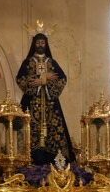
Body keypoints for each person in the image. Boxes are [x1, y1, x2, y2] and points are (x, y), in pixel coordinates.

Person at [15, 31, 76, 163]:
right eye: (38, 42)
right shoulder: (28, 62)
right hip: (31, 103)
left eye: (43, 42)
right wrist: (42, 78)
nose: (40, 44)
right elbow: (20, 79)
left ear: (46, 44)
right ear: (34, 44)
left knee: (53, 131)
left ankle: (54, 165)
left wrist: (44, 81)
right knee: (30, 131)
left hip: (50, 105)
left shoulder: (52, 63)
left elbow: (62, 79)